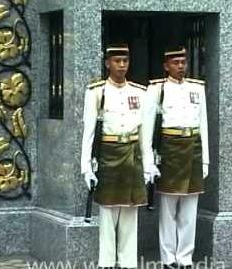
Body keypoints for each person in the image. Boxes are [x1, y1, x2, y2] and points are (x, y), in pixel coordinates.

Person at [80, 43, 150, 269]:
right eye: (117, 61)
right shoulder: (96, 92)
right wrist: (86, 168)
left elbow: (144, 134)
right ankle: (107, 262)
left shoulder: (139, 92)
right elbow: (89, 132)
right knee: (108, 213)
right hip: (108, 154)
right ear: (107, 63)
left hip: (131, 154)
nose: (122, 65)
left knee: (130, 211)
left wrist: (148, 164)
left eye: (125, 61)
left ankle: (128, 263)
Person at [143, 46, 209, 269]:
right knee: (169, 208)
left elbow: (204, 125)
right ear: (166, 66)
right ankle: (168, 258)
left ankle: (185, 257)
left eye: (183, 62)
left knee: (190, 209)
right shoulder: (157, 89)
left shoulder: (196, 88)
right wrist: (148, 162)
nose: (180, 66)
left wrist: (206, 159)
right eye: (175, 63)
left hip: (193, 148)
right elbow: (148, 128)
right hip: (170, 150)